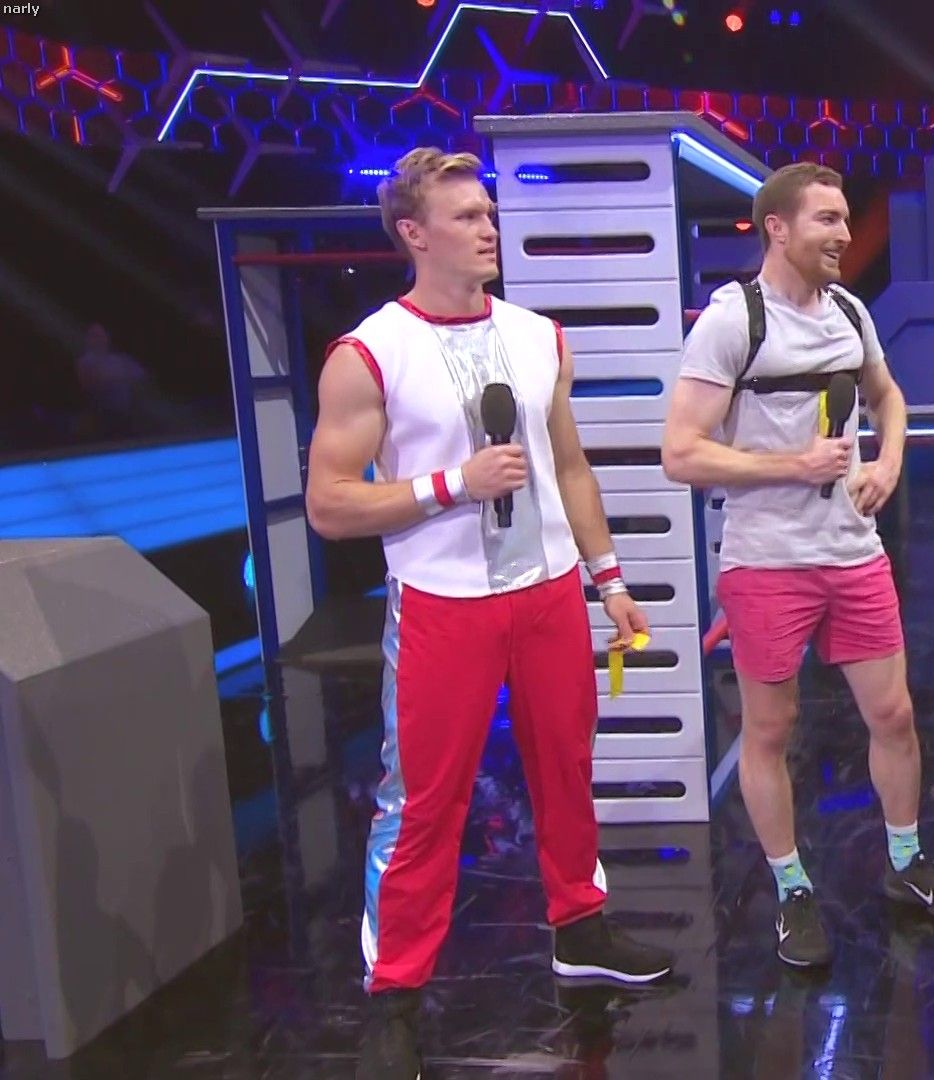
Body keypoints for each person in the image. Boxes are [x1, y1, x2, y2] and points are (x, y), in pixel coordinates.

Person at [305, 147, 675, 1079]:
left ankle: (581, 929)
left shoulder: (540, 336)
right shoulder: (367, 354)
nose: (487, 228)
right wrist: (450, 485)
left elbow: (570, 467)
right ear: (413, 233)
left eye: (489, 212)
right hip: (443, 604)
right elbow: (330, 504)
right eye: (466, 215)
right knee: (423, 801)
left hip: (548, 591)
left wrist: (610, 578)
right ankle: (395, 993)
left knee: (568, 765)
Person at [662, 162, 934, 968]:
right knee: (772, 729)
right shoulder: (731, 322)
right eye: (827, 220)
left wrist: (890, 461)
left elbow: (888, 396)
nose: (844, 234)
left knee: (894, 715)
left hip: (852, 554)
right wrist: (790, 466)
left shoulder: (848, 311)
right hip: (767, 564)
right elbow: (680, 453)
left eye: (844, 219)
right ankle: (792, 889)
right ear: (777, 228)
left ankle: (905, 863)